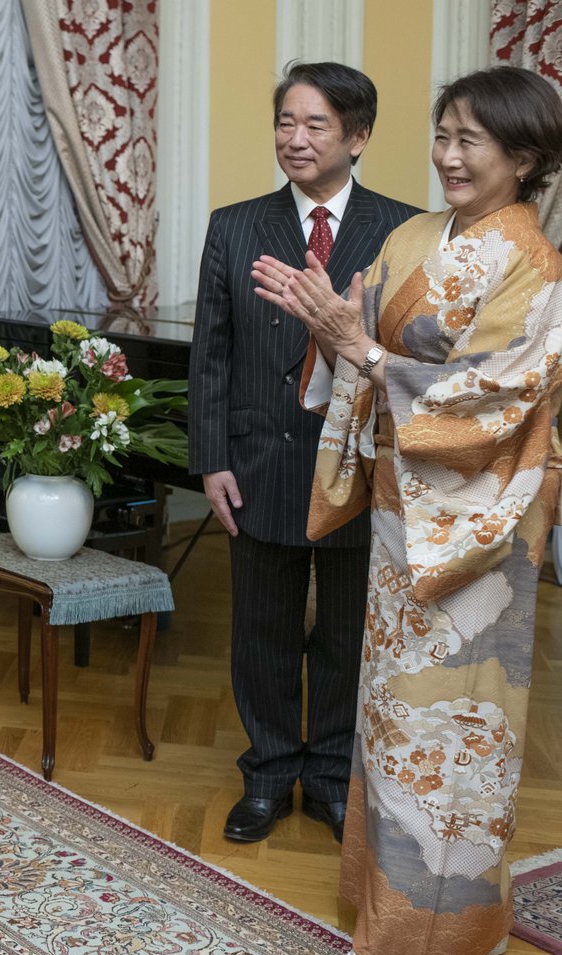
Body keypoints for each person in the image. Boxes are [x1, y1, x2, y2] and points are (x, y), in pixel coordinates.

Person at [252, 65, 562, 955]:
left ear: (526, 156)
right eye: (444, 135)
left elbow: (498, 396)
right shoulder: (419, 235)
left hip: (477, 527)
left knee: (453, 730)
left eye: (472, 141)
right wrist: (334, 332)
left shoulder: (536, 267)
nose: (450, 156)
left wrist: (364, 351)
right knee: (390, 715)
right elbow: (353, 350)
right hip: (403, 509)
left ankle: (418, 942)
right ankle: (422, 919)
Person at [188, 62, 419, 843]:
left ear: (359, 137)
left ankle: (328, 775)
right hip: (258, 459)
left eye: (316, 124)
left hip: (358, 462)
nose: (296, 138)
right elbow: (210, 354)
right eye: (286, 121)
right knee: (262, 627)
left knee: (347, 628)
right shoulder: (235, 224)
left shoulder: (405, 228)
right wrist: (211, 457)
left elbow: (413, 350)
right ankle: (269, 772)